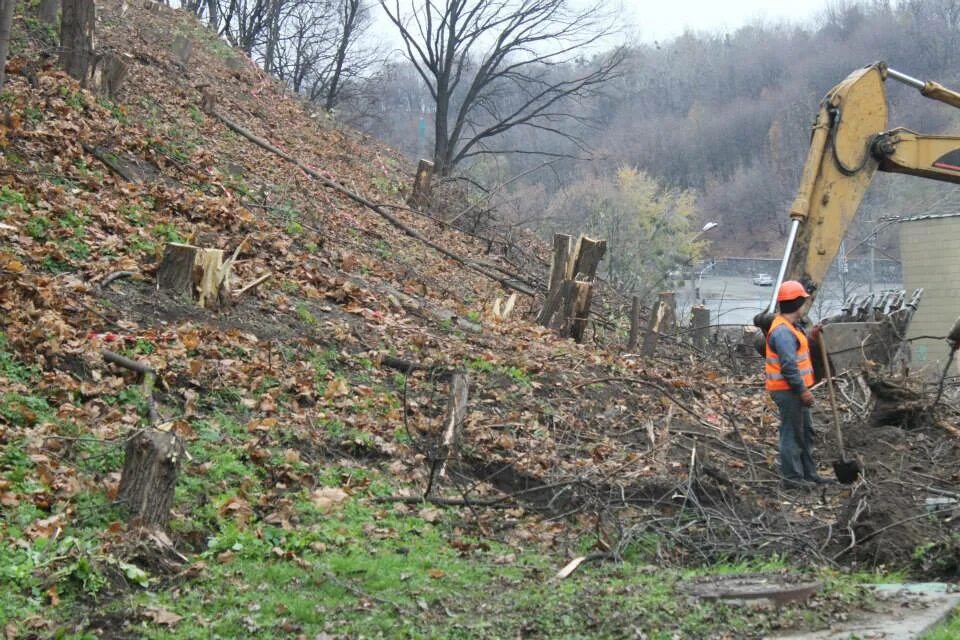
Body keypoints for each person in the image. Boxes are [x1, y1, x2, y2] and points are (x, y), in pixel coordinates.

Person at [765, 280, 830, 489]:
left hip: (794, 389)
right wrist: (803, 391)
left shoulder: (791, 326)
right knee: (792, 433)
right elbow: (789, 367)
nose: (805, 306)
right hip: (789, 390)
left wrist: (811, 335)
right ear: (797, 304)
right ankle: (792, 479)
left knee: (806, 431)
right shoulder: (782, 332)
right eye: (803, 302)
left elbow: (798, 348)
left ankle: (809, 474)